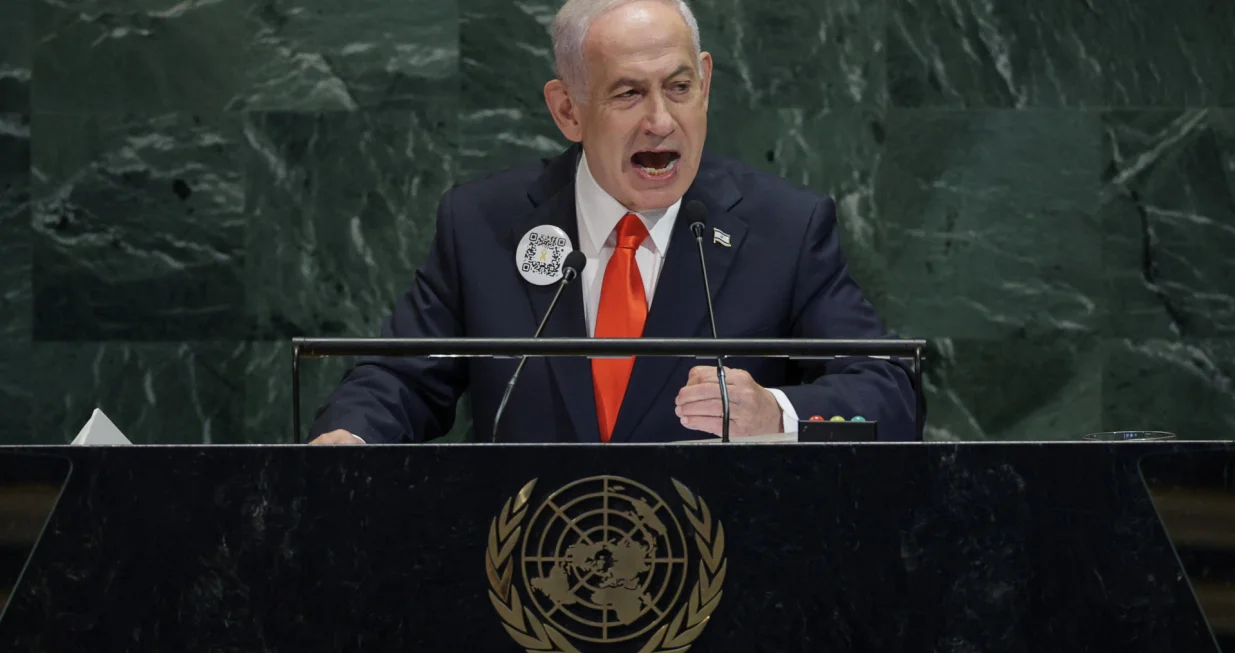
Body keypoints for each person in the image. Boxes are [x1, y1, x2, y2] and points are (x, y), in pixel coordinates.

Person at [308, 0, 921, 444]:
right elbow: (400, 379)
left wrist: (777, 411)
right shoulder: (483, 225)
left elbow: (887, 391)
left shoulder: (784, 230)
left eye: (679, 87)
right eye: (628, 94)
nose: (660, 121)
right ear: (568, 110)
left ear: (705, 83)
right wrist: (350, 437)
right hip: (526, 581)